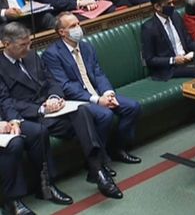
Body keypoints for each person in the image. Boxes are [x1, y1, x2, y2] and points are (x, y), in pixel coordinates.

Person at [0, 22, 123, 199]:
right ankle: (48, 185)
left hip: (54, 109)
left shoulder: (32, 55)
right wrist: (41, 108)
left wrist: (54, 98)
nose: (28, 48)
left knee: (82, 111)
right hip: (31, 116)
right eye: (22, 45)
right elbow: (7, 101)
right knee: (41, 131)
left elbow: (51, 81)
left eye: (29, 43)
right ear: (6, 44)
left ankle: (97, 170)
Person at [43, 12, 142, 163]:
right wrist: (96, 100)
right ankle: (98, 161)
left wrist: (108, 93)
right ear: (62, 32)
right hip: (77, 101)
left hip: (97, 93)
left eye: (78, 24)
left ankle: (118, 149)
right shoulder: (52, 54)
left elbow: (98, 72)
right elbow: (64, 86)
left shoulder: (86, 46)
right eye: (73, 26)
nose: (78, 28)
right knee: (105, 115)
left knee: (133, 107)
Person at [142, 0, 195, 80]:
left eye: (172, 2)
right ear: (157, 7)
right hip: (169, 68)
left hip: (187, 60)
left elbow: (188, 41)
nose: (172, 6)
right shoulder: (149, 28)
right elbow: (150, 59)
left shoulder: (175, 16)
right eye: (168, 4)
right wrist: (173, 60)